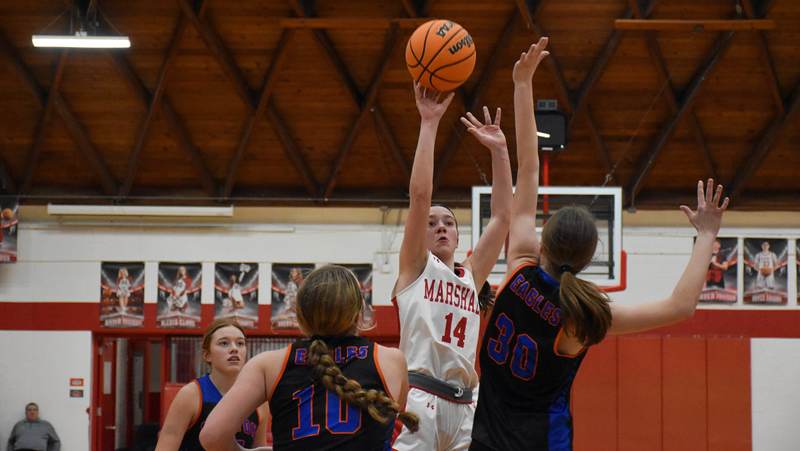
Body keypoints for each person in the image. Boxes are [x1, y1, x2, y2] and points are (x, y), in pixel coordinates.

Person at [469, 37, 730, 451]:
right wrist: (707, 236)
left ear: (544, 242)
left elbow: (529, 167)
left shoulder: (519, 265)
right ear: (592, 258)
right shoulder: (582, 314)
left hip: (482, 439)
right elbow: (680, 306)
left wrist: (522, 85)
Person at [392, 83, 512, 451]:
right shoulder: (415, 267)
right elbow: (420, 196)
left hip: (466, 406)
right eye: (431, 223)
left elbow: (504, 216)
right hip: (420, 398)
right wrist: (429, 124)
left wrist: (500, 152)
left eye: (448, 222)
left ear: (458, 236)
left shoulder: (471, 275)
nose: (440, 226)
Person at [199, 265, 416, 450]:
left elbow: (212, 437)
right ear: (359, 313)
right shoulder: (390, 360)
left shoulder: (269, 364)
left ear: (299, 314)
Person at [155, 319, 267, 450]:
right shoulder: (191, 395)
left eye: (240, 343)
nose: (234, 349)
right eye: (224, 343)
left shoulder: (259, 401)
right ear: (207, 355)